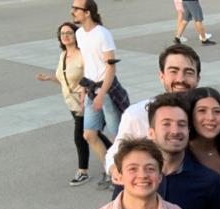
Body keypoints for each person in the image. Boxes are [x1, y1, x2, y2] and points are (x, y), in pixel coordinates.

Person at [105, 43, 201, 176]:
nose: (180, 79)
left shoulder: (205, 115)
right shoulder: (137, 114)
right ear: (162, 76)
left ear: (198, 79)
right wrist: (117, 173)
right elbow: (115, 153)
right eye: (173, 71)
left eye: (188, 72)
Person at [36, 22, 111, 186]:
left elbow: (89, 77)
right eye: (62, 33)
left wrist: (84, 96)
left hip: (84, 103)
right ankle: (116, 154)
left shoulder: (82, 54)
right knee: (93, 134)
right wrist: (49, 78)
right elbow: (64, 80)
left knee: (81, 136)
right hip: (72, 104)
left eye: (69, 33)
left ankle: (84, 171)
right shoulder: (63, 55)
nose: (65, 36)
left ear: (76, 35)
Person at [71, 0, 129, 189]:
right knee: (89, 134)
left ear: (87, 13)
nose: (73, 12)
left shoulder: (103, 34)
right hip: (91, 90)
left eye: (76, 9)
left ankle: (126, 173)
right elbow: (89, 63)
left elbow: (110, 67)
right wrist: (84, 90)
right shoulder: (79, 34)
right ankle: (112, 172)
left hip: (106, 90)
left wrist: (102, 94)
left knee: (117, 136)